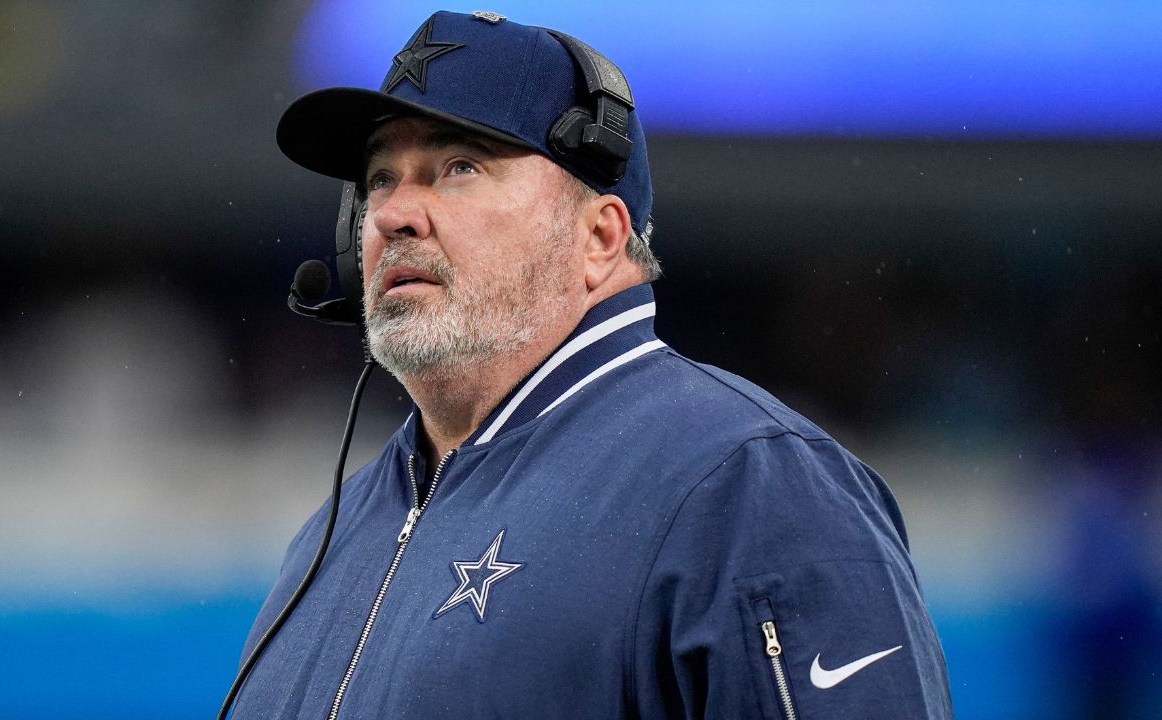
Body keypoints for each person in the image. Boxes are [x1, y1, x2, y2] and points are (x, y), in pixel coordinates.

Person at [232, 10, 953, 719]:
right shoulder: (334, 533)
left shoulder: (748, 484)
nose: (393, 215)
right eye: (381, 179)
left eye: (459, 167)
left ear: (601, 237)